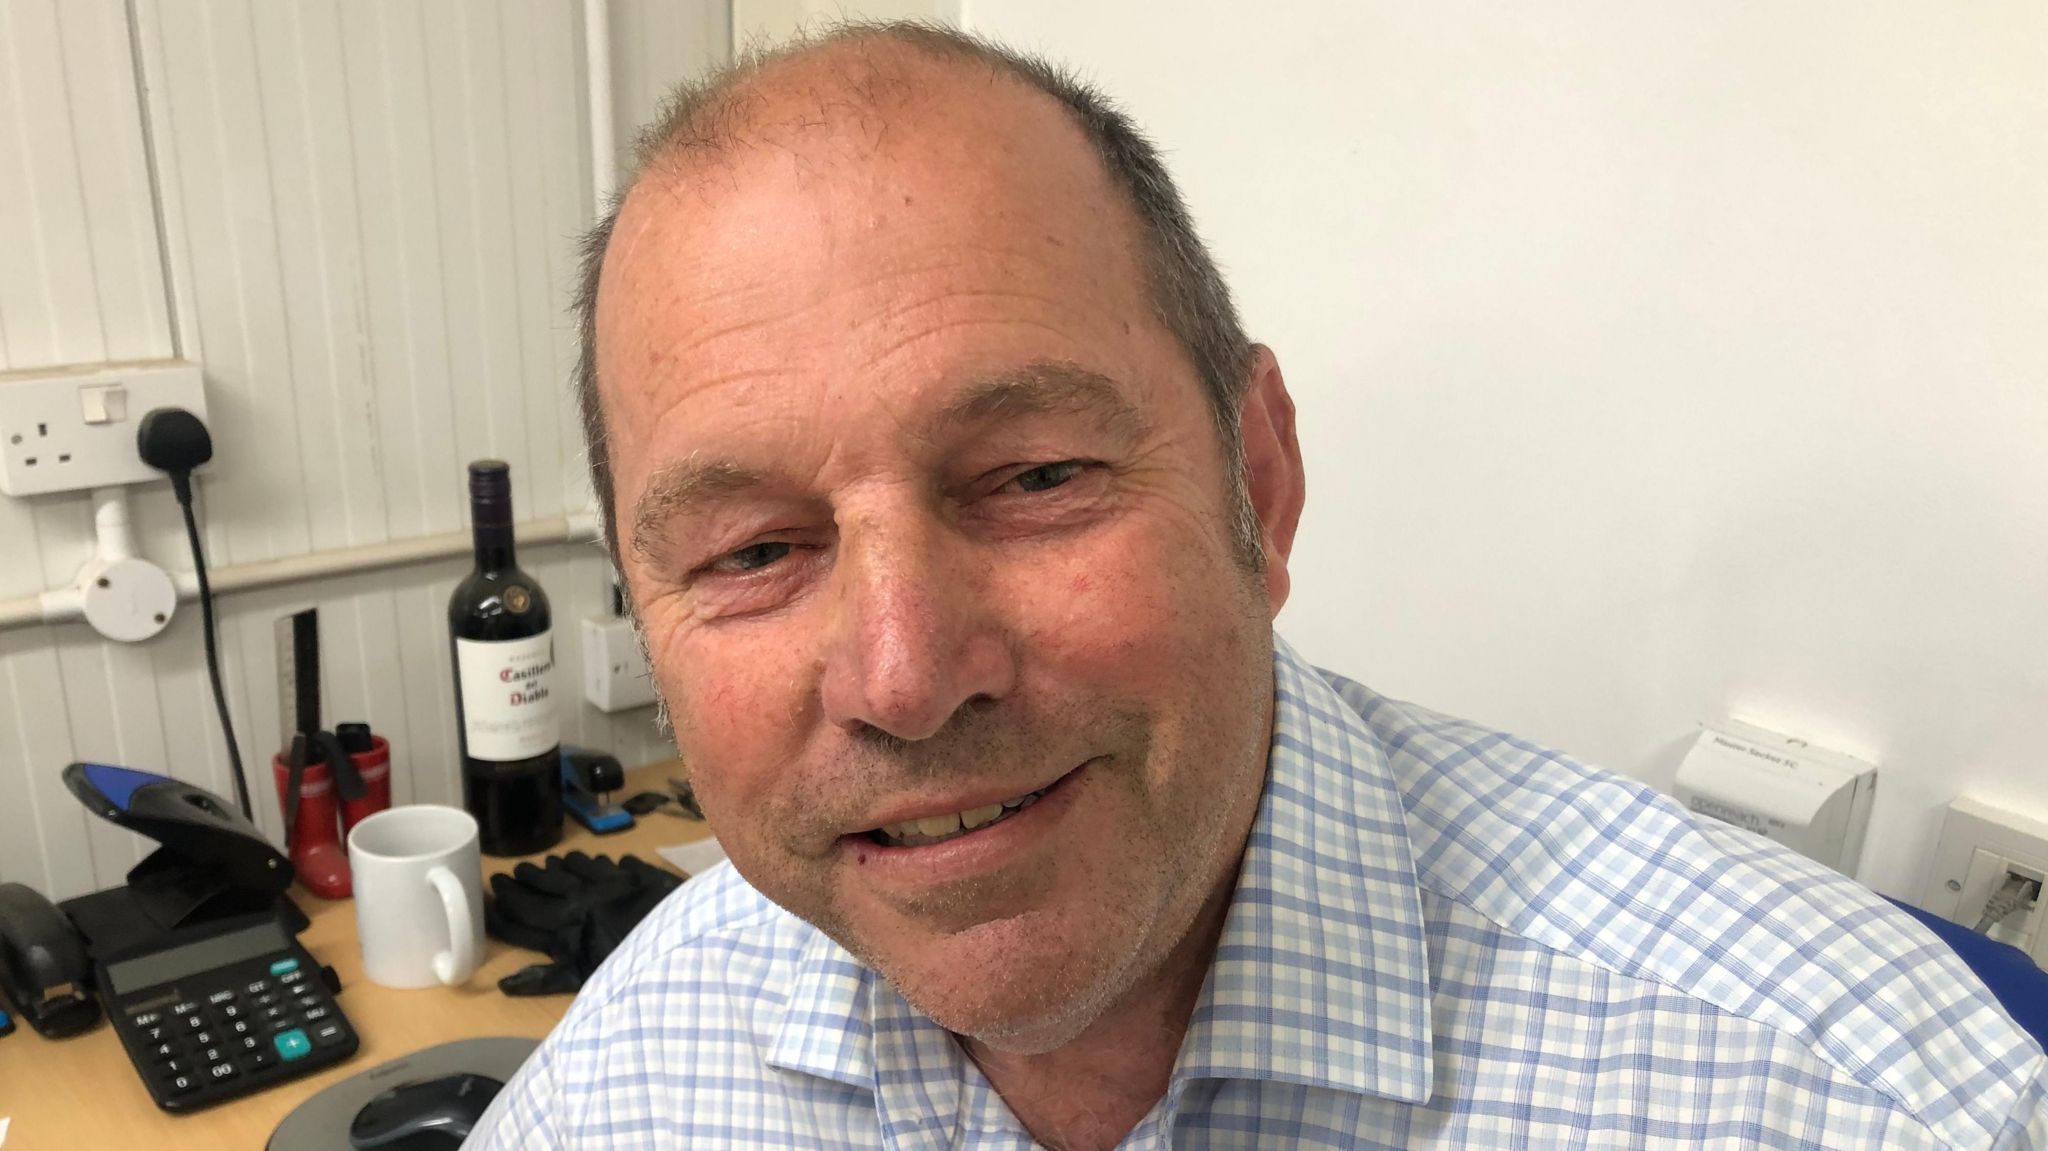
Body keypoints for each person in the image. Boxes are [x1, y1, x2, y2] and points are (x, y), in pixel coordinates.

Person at [468, 22, 2046, 1151]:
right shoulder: (657, 1036)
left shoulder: (1861, 1100)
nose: (904, 671)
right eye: (751, 552)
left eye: (1034, 477)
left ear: (1260, 485)